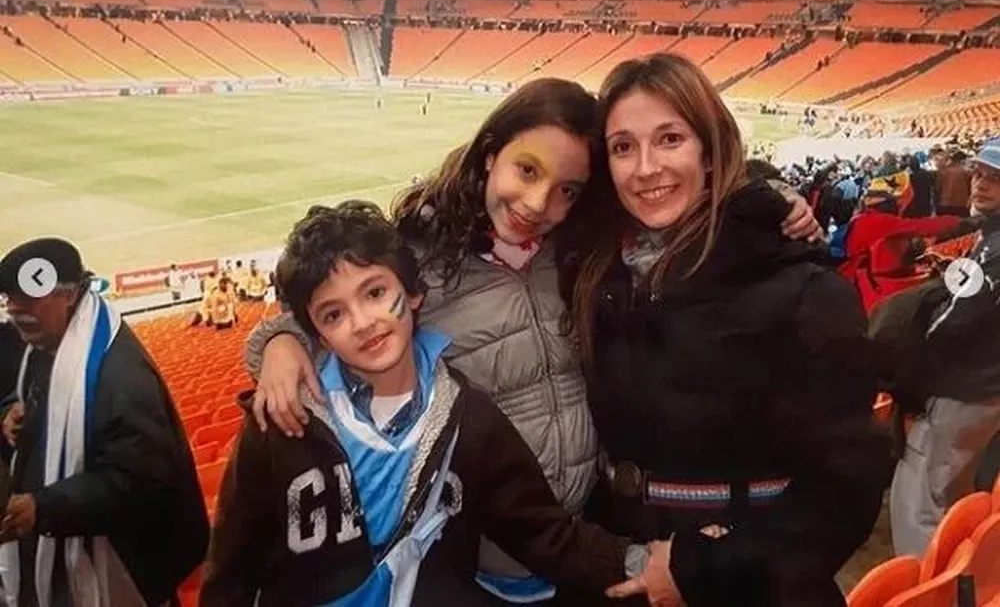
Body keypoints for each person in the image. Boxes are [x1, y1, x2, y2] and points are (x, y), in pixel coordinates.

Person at [243, 78, 822, 604]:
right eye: (526, 170)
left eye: (568, 189)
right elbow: (336, 300)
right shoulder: (419, 259)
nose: (539, 204)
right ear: (490, 153)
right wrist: (279, 341)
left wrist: (774, 198)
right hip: (486, 556)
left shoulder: (580, 250)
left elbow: (685, 193)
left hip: (588, 539)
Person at [200, 203, 665, 606]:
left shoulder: (470, 418)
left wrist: (644, 563)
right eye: (334, 314)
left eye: (376, 292)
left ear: (414, 295)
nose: (363, 322)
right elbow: (231, 569)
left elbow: (545, 534)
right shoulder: (279, 423)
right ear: (316, 334)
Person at [560, 54, 890, 606]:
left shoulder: (800, 289)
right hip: (619, 568)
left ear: (709, 152)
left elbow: (846, 486)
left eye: (669, 139)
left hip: (746, 587)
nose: (645, 167)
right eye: (623, 147)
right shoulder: (598, 272)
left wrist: (701, 567)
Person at [0, 238, 209, 607]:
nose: (14, 309)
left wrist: (41, 507)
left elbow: (139, 480)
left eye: (27, 298)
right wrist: (13, 412)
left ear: (67, 295)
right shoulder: (50, 343)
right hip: (66, 550)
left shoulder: (122, 377)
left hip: (118, 573)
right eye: (9, 298)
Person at [888, 138, 1000, 556]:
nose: (980, 185)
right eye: (979, 174)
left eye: (994, 178)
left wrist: (911, 367)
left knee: (919, 500)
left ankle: (928, 591)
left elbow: (953, 325)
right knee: (951, 490)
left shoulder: (996, 246)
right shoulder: (989, 238)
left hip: (965, 388)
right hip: (984, 386)